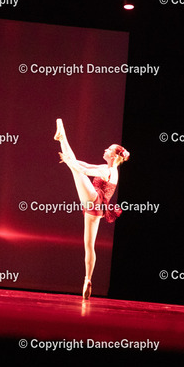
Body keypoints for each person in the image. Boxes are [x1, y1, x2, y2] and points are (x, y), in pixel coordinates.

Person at [54, 118, 129, 299]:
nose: (105, 150)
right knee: (89, 246)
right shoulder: (108, 169)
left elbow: (85, 171)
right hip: (96, 209)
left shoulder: (108, 171)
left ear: (114, 156)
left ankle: (62, 137)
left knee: (76, 169)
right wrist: (71, 162)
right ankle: (87, 279)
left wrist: (70, 162)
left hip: (94, 200)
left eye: (108, 149)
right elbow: (85, 165)